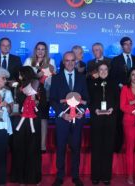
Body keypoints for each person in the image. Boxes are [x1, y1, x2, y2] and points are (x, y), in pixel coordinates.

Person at [50, 51, 89, 186]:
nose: (70, 63)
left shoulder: (82, 78)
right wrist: (62, 114)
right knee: (60, 148)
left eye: (73, 60)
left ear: (76, 62)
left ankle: (75, 176)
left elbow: (86, 98)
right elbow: (53, 100)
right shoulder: (56, 78)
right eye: (67, 60)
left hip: (77, 120)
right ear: (63, 62)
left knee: (76, 149)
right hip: (62, 120)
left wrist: (82, 111)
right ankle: (59, 176)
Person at [10, 66, 43, 185]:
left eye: (20, 74)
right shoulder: (18, 87)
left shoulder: (38, 85)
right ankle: (21, 178)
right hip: (20, 121)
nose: (19, 77)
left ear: (25, 74)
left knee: (33, 149)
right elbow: (15, 103)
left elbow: (42, 104)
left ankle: (33, 178)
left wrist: (36, 100)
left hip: (33, 120)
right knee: (20, 149)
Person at [88, 62, 119, 185]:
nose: (103, 71)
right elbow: (89, 100)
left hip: (110, 119)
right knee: (96, 148)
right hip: (96, 119)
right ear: (97, 70)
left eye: (105, 69)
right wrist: (94, 109)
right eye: (101, 69)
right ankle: (95, 176)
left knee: (108, 148)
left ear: (108, 70)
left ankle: (106, 176)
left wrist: (112, 109)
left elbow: (118, 100)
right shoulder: (91, 83)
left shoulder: (114, 83)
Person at [23, 41, 56, 153]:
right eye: (38, 49)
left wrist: (45, 77)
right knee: (31, 119)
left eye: (43, 49)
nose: (40, 51)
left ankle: (42, 145)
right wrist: (37, 76)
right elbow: (24, 77)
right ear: (35, 50)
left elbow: (53, 79)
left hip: (45, 94)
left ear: (46, 51)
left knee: (43, 119)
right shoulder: (28, 61)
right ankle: (31, 144)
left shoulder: (51, 61)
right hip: (31, 94)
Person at [110, 36, 135, 153]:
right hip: (121, 95)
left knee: (134, 121)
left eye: (130, 44)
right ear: (122, 46)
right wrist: (121, 85)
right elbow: (112, 77)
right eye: (126, 44)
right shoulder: (116, 60)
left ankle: (133, 147)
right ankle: (118, 146)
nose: (129, 46)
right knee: (120, 122)